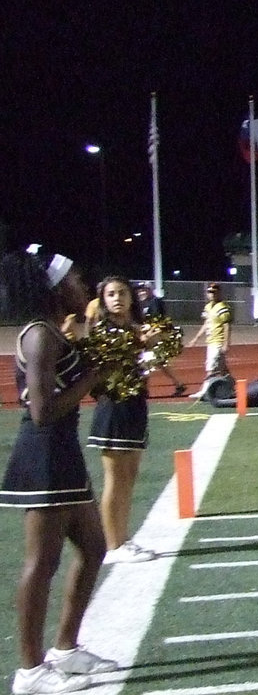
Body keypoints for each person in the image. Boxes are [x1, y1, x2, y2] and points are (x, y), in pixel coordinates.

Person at [0, 249, 120, 694]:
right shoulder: (39, 337)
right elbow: (41, 410)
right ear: (53, 287)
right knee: (41, 564)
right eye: (75, 280)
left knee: (92, 548)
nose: (83, 288)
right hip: (43, 457)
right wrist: (91, 377)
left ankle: (66, 650)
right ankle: (30, 672)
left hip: (63, 456)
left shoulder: (56, 332)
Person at [87, 276, 158, 563]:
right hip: (114, 406)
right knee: (115, 479)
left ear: (132, 297)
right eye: (111, 294)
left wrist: (154, 346)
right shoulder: (104, 329)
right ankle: (112, 545)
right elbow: (113, 358)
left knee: (129, 477)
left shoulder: (137, 327)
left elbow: (149, 364)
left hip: (135, 404)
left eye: (122, 293)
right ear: (103, 300)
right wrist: (142, 341)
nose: (117, 298)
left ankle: (123, 538)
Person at [136, 283, 187, 396]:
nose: (141, 293)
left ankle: (143, 389)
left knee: (147, 361)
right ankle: (178, 384)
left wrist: (148, 333)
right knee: (159, 362)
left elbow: (158, 322)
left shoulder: (155, 302)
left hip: (155, 336)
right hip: (149, 336)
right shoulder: (143, 303)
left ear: (149, 290)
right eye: (140, 291)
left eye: (144, 290)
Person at [187, 283, 233, 400]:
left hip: (217, 341)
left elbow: (227, 325)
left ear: (219, 293)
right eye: (210, 292)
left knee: (211, 367)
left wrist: (226, 343)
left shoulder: (223, 307)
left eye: (214, 292)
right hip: (210, 341)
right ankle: (232, 385)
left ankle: (203, 391)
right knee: (222, 368)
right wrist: (196, 338)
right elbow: (206, 324)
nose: (211, 295)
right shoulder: (208, 307)